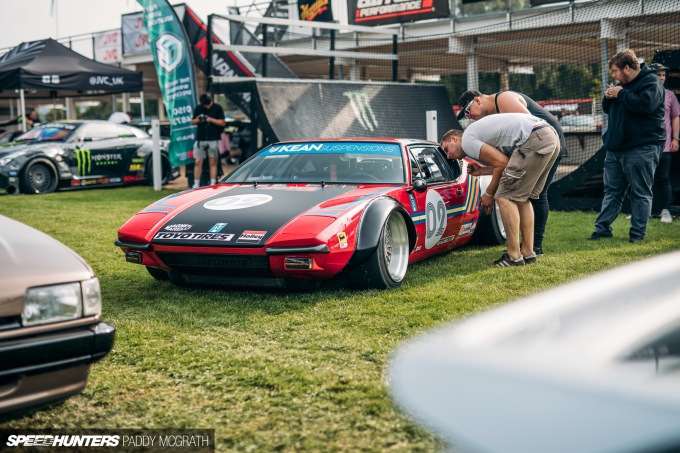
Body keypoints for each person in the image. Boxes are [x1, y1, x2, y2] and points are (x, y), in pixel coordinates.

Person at [456, 88, 568, 257]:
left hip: (545, 140)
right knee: (526, 195)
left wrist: (489, 193)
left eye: (467, 111)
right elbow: (510, 160)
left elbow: (530, 127)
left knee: (528, 195)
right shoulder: (493, 115)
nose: (469, 117)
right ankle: (528, 249)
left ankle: (533, 247)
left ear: (477, 100)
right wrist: (484, 171)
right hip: (545, 139)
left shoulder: (503, 99)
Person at [441, 113, 560, 267]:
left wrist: (489, 194)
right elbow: (508, 164)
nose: (448, 156)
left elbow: (502, 163)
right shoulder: (477, 133)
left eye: (446, 149)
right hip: (548, 136)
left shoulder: (468, 140)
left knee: (503, 197)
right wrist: (482, 171)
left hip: (535, 138)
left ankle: (513, 256)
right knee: (522, 199)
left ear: (454, 138)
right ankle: (528, 253)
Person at [588, 49, 665, 243]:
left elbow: (645, 105)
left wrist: (621, 94)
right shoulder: (620, 85)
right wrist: (608, 96)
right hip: (616, 148)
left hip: (642, 146)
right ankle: (601, 230)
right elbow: (607, 109)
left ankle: (637, 234)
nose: (614, 75)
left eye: (615, 71)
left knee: (640, 192)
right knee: (612, 191)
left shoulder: (651, 81)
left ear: (627, 68)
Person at [650, 62, 680, 224]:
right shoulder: (643, 94)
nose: (662, 78)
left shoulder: (670, 95)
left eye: (663, 75)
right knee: (646, 179)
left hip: (665, 146)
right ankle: (646, 211)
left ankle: (666, 210)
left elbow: (675, 117)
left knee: (663, 177)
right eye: (658, 74)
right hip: (646, 146)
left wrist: (675, 138)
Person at [191, 93, 226, 189]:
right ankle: (196, 183)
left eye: (208, 104)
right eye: (205, 105)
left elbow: (223, 123)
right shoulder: (199, 108)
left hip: (213, 138)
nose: (207, 107)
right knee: (198, 161)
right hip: (201, 138)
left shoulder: (217, 108)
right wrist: (199, 119)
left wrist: (211, 120)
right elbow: (192, 121)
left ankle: (213, 182)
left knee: (213, 161)